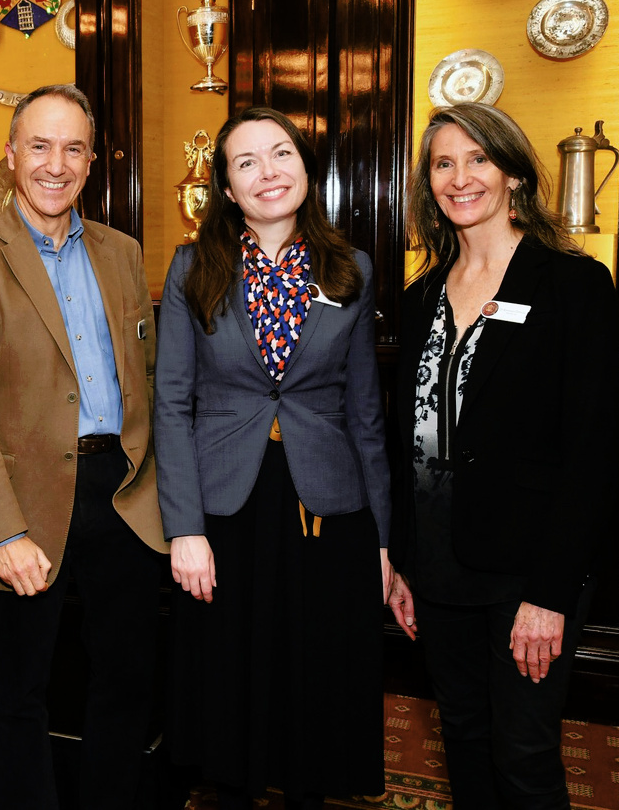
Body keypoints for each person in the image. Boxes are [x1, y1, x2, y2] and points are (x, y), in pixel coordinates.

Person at [0, 84, 167, 810]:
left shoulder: (123, 254)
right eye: (39, 145)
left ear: (91, 162)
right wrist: (0, 530)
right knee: (20, 692)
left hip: (123, 499)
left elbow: (148, 383)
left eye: (72, 148)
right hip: (24, 507)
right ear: (11, 155)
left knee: (126, 686)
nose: (54, 164)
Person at [387, 102, 619, 809]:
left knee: (522, 751)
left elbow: (594, 452)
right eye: (443, 163)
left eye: (478, 159)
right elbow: (407, 442)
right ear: (428, 183)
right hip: (436, 564)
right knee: (461, 732)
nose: (461, 178)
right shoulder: (419, 295)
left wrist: (550, 594)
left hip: (528, 571)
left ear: (514, 172)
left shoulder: (572, 286)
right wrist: (400, 559)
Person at [154, 107, 392, 810]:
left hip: (325, 502)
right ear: (227, 187)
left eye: (281, 154)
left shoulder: (350, 269)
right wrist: (184, 526)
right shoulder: (194, 268)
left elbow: (365, 414)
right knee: (229, 673)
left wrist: (381, 540)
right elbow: (171, 402)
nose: (268, 172)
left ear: (305, 169)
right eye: (247, 162)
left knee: (315, 671)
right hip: (226, 501)